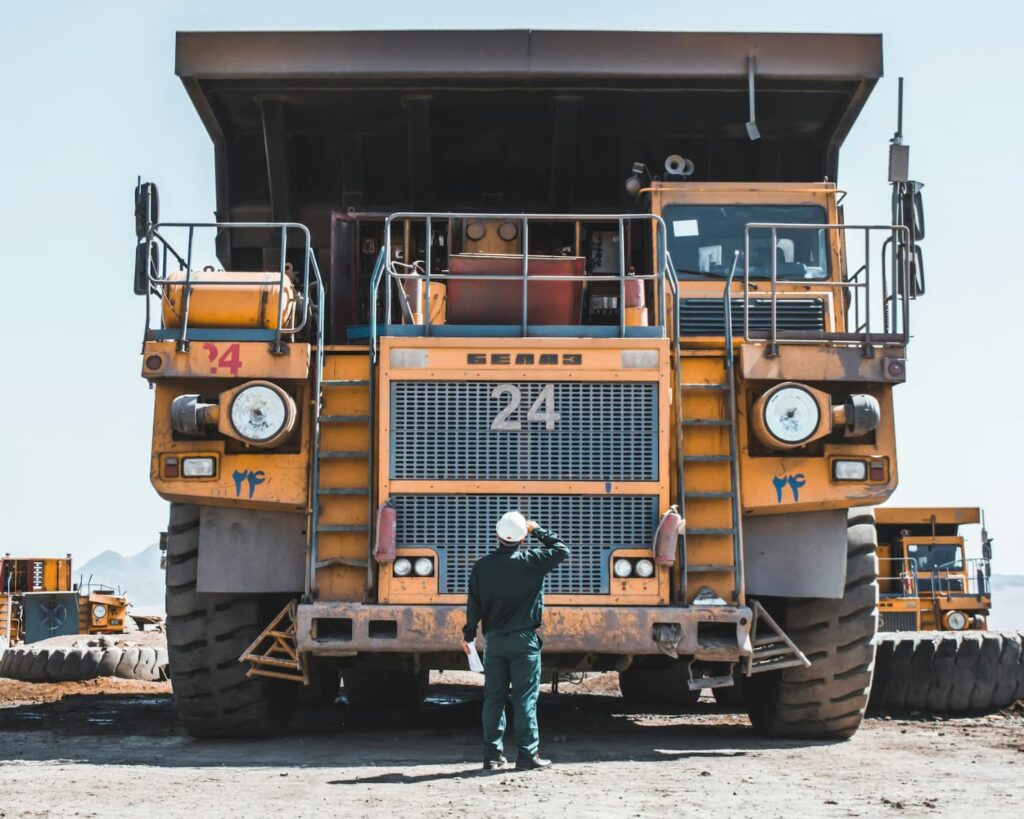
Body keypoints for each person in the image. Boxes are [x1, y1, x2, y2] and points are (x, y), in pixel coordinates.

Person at [461, 511, 569, 771]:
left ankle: (492, 756)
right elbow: (561, 550)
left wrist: (468, 635)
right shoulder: (531, 561)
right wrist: (537, 529)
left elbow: (473, 604)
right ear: (522, 540)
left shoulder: (482, 566)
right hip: (524, 641)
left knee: (494, 698)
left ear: (497, 535)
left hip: (495, 642)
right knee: (524, 699)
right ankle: (527, 755)